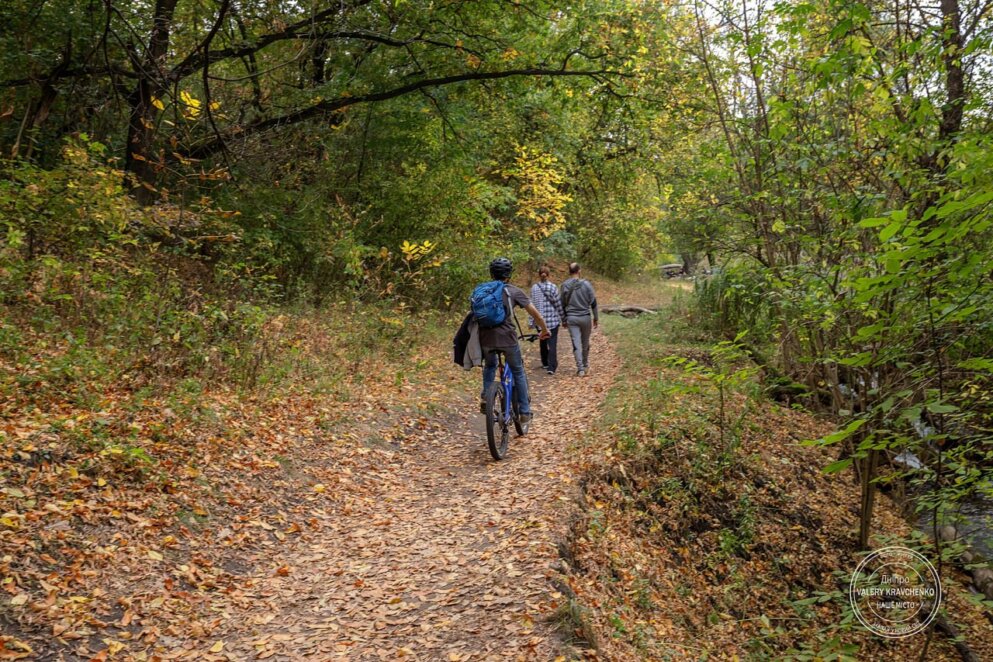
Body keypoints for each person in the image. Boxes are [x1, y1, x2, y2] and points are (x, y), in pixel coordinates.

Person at [475, 258, 550, 426]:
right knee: (518, 371)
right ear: (509, 275)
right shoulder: (513, 291)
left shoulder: (482, 292)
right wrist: (544, 330)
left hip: (486, 339)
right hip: (507, 339)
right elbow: (535, 314)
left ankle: (487, 398)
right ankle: (524, 412)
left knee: (489, 366)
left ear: (491, 273)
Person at [560, 262, 598, 377]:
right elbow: (594, 303)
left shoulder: (564, 285)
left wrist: (564, 319)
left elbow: (561, 304)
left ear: (569, 272)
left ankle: (580, 368)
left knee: (576, 343)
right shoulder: (587, 284)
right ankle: (585, 364)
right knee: (585, 342)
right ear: (579, 271)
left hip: (572, 318)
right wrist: (596, 318)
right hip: (585, 317)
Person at [530, 266, 565, 375]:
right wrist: (563, 318)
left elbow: (531, 304)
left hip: (540, 321)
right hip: (552, 321)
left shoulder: (534, 288)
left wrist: (531, 321)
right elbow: (558, 304)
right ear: (548, 275)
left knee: (542, 341)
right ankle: (551, 367)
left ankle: (544, 362)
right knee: (552, 343)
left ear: (539, 275)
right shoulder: (553, 287)